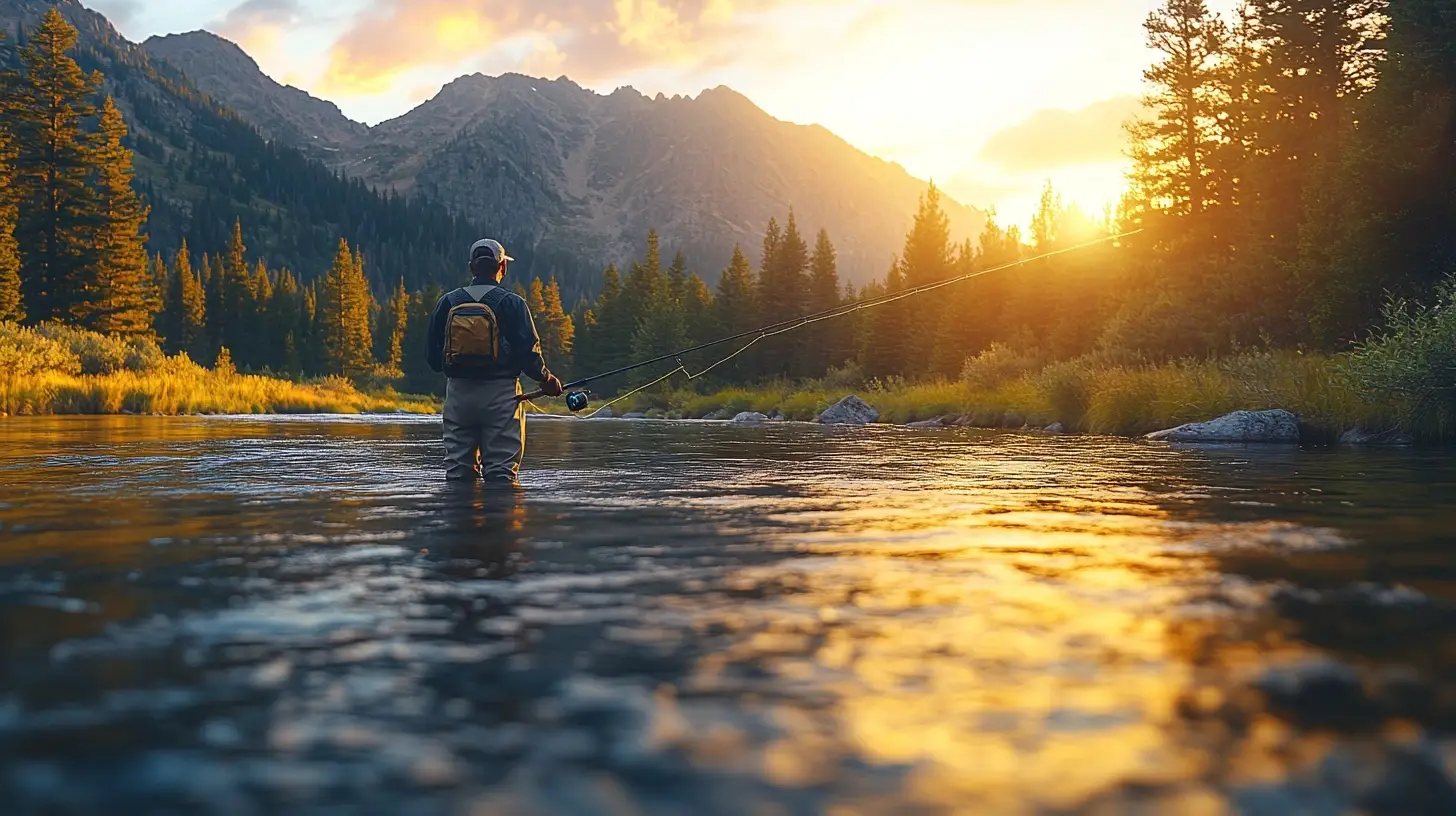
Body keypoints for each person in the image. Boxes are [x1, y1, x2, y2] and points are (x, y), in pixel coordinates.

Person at [427, 239, 564, 482]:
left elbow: (433, 359)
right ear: (502, 267)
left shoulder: (447, 302)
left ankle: (458, 518)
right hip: (502, 397)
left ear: (471, 267)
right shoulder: (513, 303)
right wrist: (547, 380)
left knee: (458, 474)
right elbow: (529, 356)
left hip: (458, 396)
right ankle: (499, 518)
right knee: (501, 475)